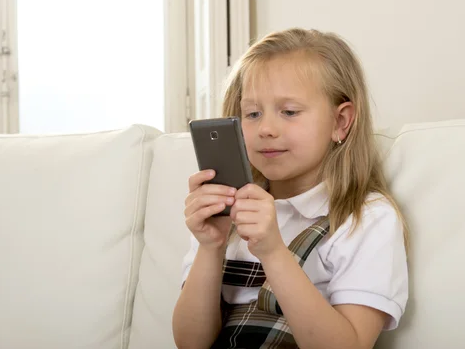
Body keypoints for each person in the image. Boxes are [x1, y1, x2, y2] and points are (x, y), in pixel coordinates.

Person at [172, 28, 408, 349]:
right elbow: (190, 343)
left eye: (289, 112)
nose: (267, 129)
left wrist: (272, 251)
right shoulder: (227, 213)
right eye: (252, 114)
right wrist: (210, 247)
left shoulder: (365, 219)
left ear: (340, 122)